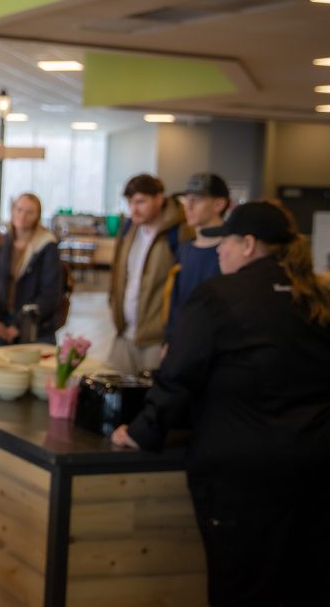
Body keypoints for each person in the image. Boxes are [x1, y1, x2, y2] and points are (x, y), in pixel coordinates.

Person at [111, 202, 330, 606]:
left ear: (247, 244)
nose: (217, 251)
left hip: (243, 476)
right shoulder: (316, 294)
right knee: (304, 583)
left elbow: (179, 377)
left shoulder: (218, 296)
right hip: (315, 466)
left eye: (224, 242)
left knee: (240, 586)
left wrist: (142, 431)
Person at [107, 174, 192, 374]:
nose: (133, 209)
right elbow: (119, 274)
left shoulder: (179, 233)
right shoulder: (129, 228)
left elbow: (185, 288)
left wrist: (173, 336)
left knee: (151, 398)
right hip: (124, 332)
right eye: (130, 202)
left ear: (159, 199)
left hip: (157, 339)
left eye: (140, 202)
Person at [0, 193, 64, 345]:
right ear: (12, 211)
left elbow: (50, 293)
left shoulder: (46, 246)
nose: (22, 215)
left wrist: (20, 324)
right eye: (19, 209)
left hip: (36, 326)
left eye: (29, 212)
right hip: (2, 323)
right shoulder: (1, 243)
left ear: (37, 216)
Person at [165, 173, 229, 337]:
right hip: (183, 341)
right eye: (186, 199)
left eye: (197, 200)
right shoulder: (185, 249)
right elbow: (175, 302)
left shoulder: (230, 252)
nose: (188, 206)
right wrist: (169, 339)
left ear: (219, 204)